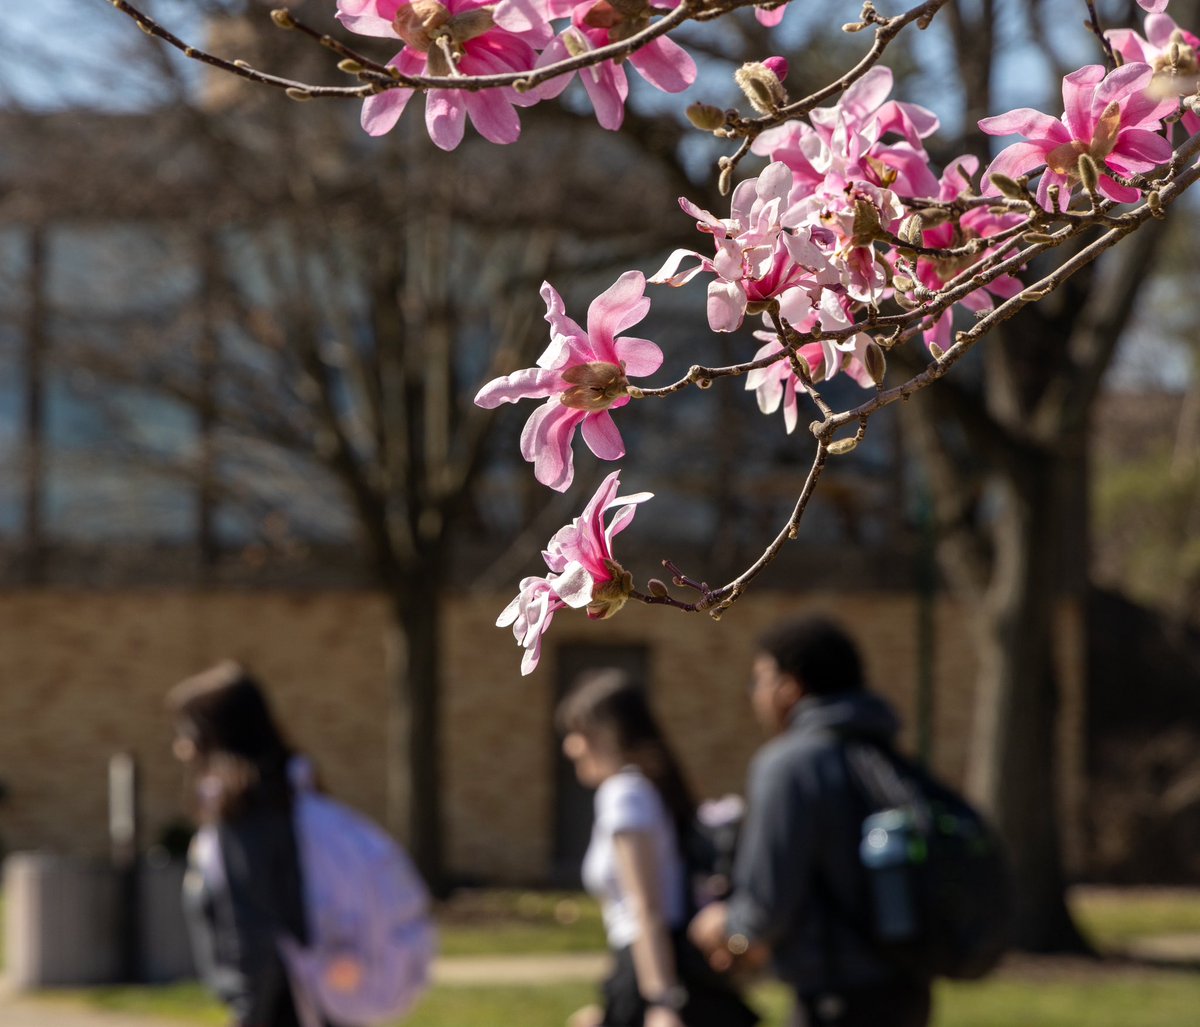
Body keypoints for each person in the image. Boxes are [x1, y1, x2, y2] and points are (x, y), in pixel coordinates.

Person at [688, 616, 933, 1027]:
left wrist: (726, 926)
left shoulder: (788, 765)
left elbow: (767, 905)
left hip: (836, 998)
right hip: (906, 991)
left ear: (790, 688)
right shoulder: (881, 753)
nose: (756, 694)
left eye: (760, 679)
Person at [557, 669, 759, 1027]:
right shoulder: (644, 788)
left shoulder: (623, 794)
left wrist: (661, 1002)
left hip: (646, 972)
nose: (570, 746)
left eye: (579, 733)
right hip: (652, 968)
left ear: (610, 735)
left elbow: (646, 908)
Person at [169, 661, 336, 1027]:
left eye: (186, 732)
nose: (180, 748)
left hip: (281, 1008)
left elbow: (253, 931)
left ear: (212, 733)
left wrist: (249, 1014)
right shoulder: (295, 794)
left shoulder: (245, 815)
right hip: (321, 999)